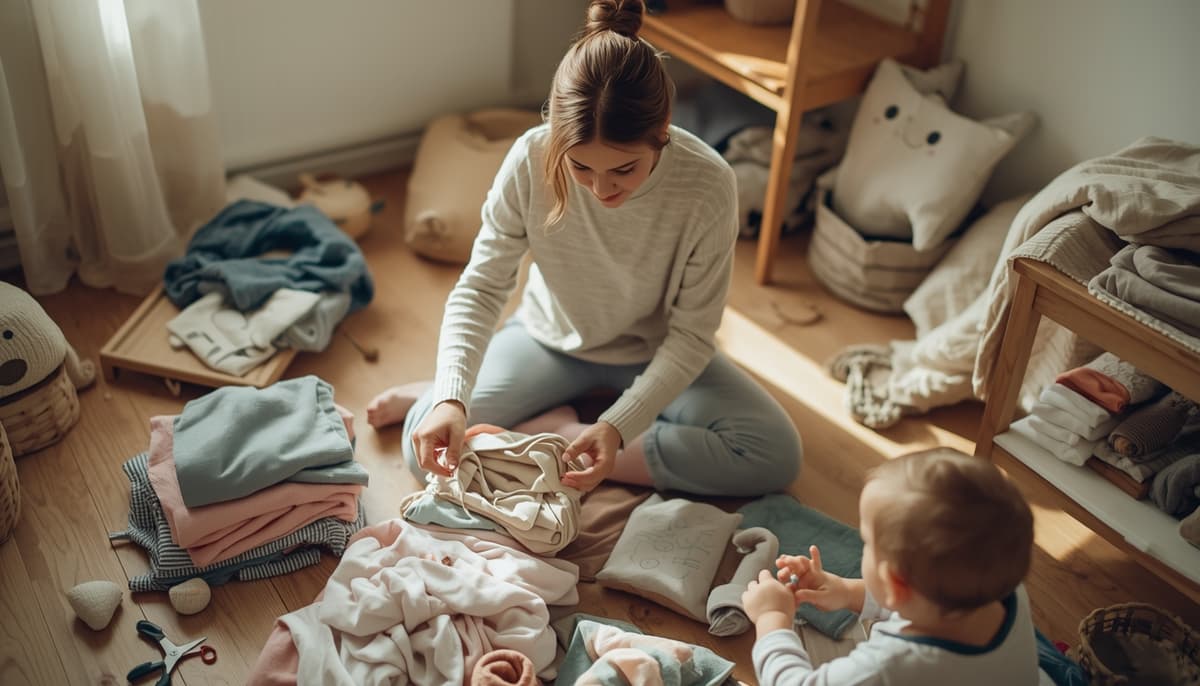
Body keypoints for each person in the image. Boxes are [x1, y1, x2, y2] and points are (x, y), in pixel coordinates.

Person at [365, 0, 800, 496]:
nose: (600, 189)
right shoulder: (531, 156)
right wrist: (451, 399)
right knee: (421, 451)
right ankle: (442, 393)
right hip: (549, 343)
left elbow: (694, 335)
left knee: (773, 452)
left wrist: (617, 426)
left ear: (662, 135)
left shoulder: (708, 184)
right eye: (580, 168)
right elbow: (481, 287)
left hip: (653, 352)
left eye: (622, 170)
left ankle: (553, 434)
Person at [742, 448, 1039, 684]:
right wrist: (846, 592)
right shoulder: (1005, 588)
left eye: (867, 542)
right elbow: (921, 601)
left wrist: (773, 618)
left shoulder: (886, 668)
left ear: (895, 584)